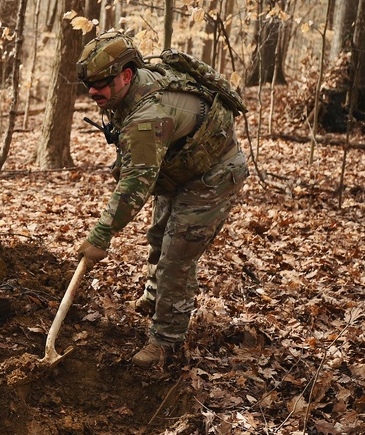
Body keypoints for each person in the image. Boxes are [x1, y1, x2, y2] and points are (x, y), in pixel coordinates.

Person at [74, 31, 249, 368]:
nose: (94, 91)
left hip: (213, 174)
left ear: (126, 75)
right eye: (89, 85)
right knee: (158, 236)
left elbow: (135, 185)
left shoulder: (148, 115)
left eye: (101, 83)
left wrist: (100, 236)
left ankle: (165, 342)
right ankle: (156, 298)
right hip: (179, 166)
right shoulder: (127, 91)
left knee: (175, 259)